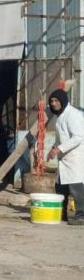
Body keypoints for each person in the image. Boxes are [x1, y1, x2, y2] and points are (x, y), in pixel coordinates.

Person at [47, 89, 84, 224]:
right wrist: (54, 148)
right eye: (51, 101)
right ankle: (61, 213)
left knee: (76, 187)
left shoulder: (73, 115)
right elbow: (61, 138)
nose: (53, 103)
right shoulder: (61, 116)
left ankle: (81, 215)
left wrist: (59, 149)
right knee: (60, 187)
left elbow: (78, 137)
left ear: (62, 101)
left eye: (56, 101)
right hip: (65, 158)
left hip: (75, 157)